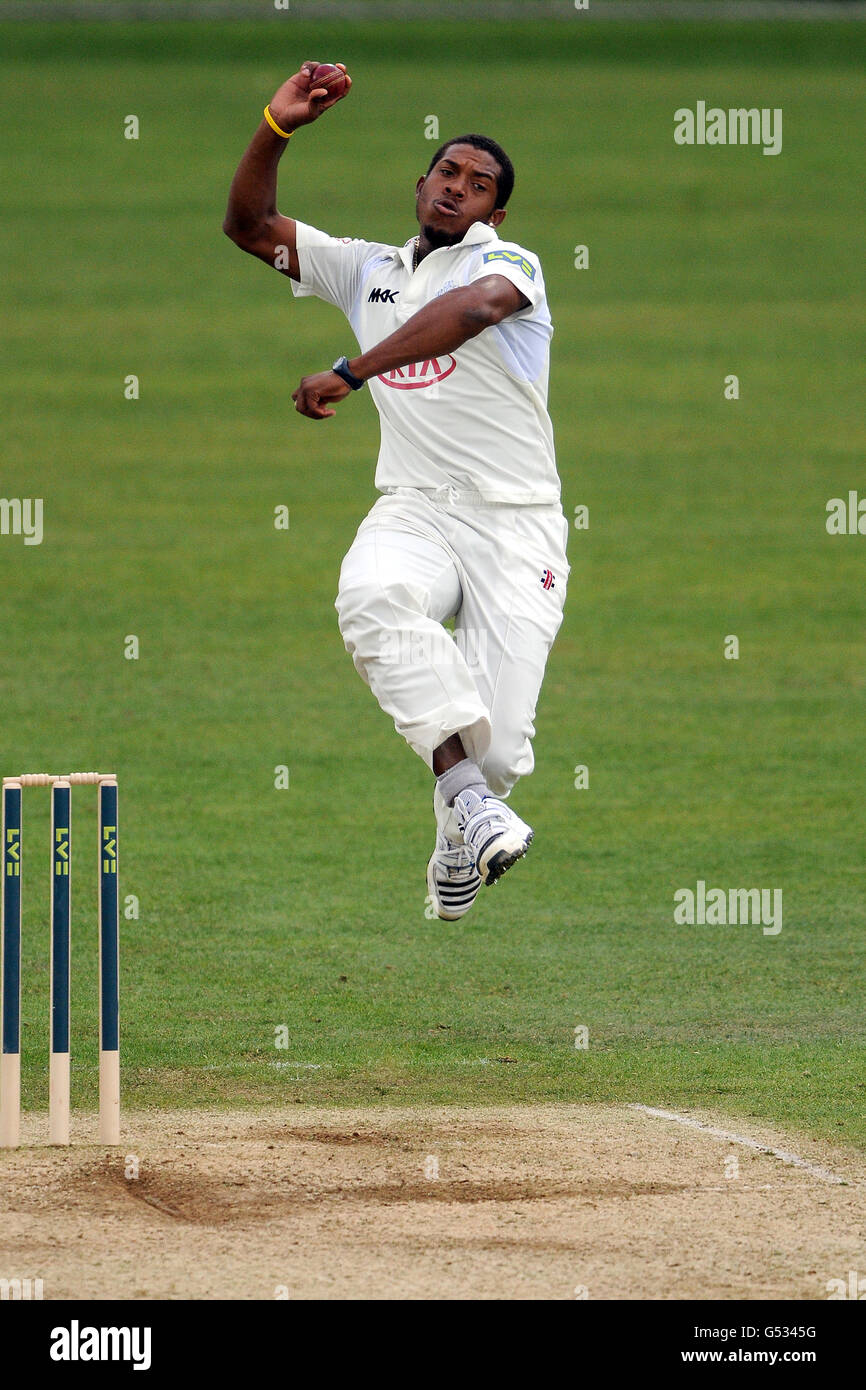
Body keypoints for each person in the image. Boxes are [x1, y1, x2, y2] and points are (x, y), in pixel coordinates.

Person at [224, 60, 569, 921]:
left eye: (479, 184)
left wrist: (353, 369)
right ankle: (469, 802)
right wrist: (276, 124)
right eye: (447, 173)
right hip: (415, 504)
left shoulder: (510, 267)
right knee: (370, 595)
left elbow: (471, 313)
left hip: (516, 522)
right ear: (420, 186)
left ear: (497, 211)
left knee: (501, 750)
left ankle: (461, 818)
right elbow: (249, 225)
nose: (459, 189)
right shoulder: (367, 268)